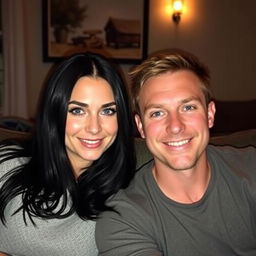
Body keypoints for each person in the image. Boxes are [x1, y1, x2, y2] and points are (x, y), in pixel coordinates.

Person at [96, 49, 256, 255]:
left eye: (188, 108)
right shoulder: (123, 218)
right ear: (141, 126)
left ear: (210, 114)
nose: (175, 126)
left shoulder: (251, 168)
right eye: (158, 113)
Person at [0, 52, 136, 255]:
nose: (94, 128)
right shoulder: (8, 164)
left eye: (107, 111)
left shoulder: (125, 193)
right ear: (54, 111)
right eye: (78, 111)